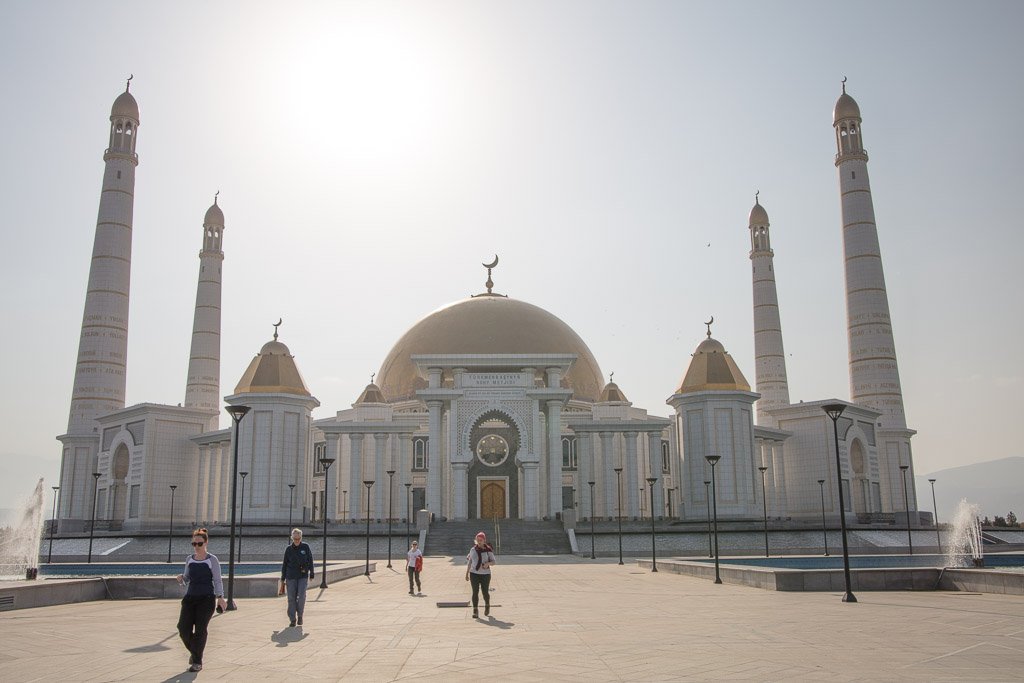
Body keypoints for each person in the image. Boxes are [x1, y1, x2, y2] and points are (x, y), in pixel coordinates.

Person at [175, 528, 226, 673]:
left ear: (206, 542)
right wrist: (181, 579)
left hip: (206, 599)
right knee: (182, 628)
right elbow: (186, 579)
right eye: (194, 544)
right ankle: (195, 652)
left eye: (199, 543)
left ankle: (197, 662)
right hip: (190, 599)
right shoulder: (189, 559)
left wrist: (220, 598)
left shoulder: (212, 560)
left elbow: (217, 580)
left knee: (200, 630)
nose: (196, 546)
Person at [279, 528, 315, 626]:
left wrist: (312, 573)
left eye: (298, 539)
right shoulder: (288, 549)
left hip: (302, 576)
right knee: (291, 598)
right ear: (292, 538)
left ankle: (300, 616)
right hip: (290, 576)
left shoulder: (305, 547)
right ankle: (292, 619)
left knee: (302, 596)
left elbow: (310, 560)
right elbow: (285, 564)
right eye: (295, 539)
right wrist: (282, 578)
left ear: (301, 538)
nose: (297, 541)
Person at [465, 531, 496, 618]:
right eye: (477, 540)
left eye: (481, 540)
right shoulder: (473, 550)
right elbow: (470, 561)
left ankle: (487, 605)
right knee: (475, 592)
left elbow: (494, 562)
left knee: (485, 592)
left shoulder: (488, 550)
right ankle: (475, 611)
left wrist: (488, 564)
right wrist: (467, 573)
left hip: (485, 574)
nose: (479, 541)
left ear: (484, 540)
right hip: (474, 573)